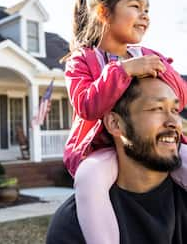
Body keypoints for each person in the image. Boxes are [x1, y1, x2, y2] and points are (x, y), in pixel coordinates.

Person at [62, 0, 187, 244]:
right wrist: (123, 71)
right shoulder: (81, 61)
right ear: (103, 12)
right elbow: (86, 105)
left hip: (151, 143)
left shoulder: (148, 54)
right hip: (103, 148)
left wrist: (163, 69)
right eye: (135, 6)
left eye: (147, 9)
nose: (144, 15)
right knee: (88, 178)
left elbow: (181, 98)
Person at [47, 77, 187, 244]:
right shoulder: (74, 226)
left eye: (175, 110)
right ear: (115, 123)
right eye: (157, 108)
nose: (174, 123)